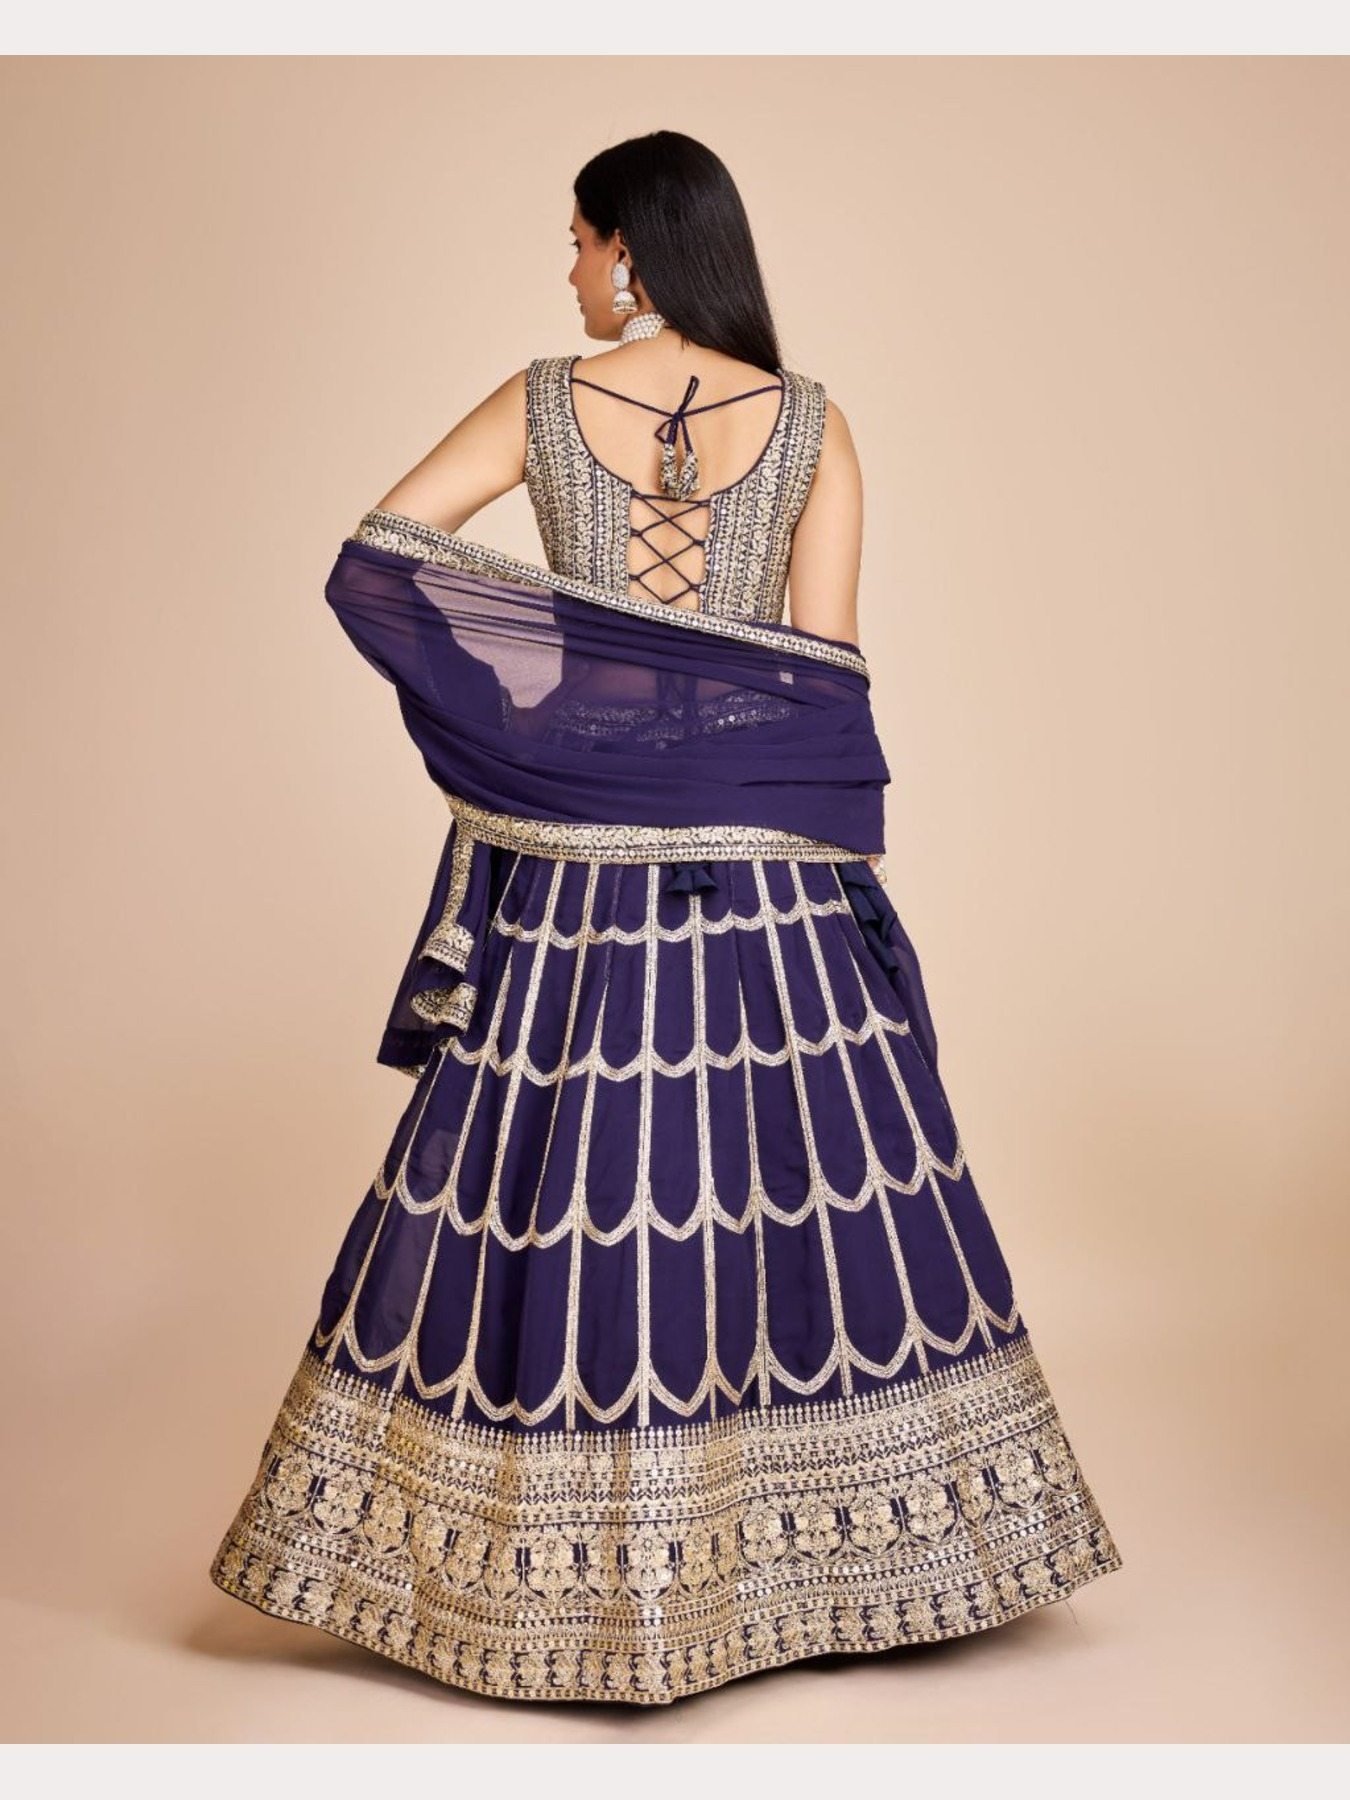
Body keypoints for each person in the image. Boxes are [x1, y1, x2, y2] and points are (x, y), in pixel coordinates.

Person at [209, 129, 1122, 1707]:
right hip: (764, 855)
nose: (567, 268)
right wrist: (785, 810)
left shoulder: (541, 400)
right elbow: (819, 671)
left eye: (576, 239)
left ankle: (543, 1560)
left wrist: (538, 737)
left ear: (629, 248)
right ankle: (828, 1558)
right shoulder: (815, 423)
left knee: (566, 1167)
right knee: (789, 1176)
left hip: (578, 854)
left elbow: (377, 566)